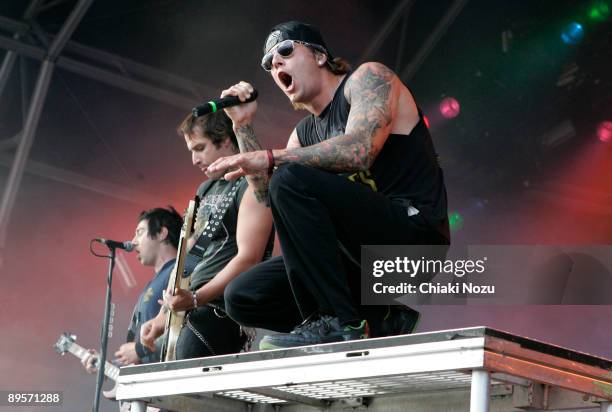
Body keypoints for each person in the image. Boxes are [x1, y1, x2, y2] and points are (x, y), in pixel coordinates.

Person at [207, 21, 450, 349]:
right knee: (241, 296)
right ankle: (376, 317)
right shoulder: (303, 133)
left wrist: (272, 158)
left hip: (412, 243)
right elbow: (267, 195)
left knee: (289, 175)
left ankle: (341, 322)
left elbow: (359, 150)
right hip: (358, 258)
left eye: (285, 51)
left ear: (320, 55)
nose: (275, 63)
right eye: (268, 63)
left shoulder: (368, 78)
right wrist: (242, 125)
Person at [139, 110, 273, 359]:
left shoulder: (251, 182)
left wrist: (196, 298)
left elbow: (249, 258)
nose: (194, 159)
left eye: (200, 148)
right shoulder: (206, 187)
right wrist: (161, 317)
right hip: (191, 308)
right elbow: (186, 257)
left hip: (221, 311)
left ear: (224, 140)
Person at [82, 207, 182, 371]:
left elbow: (184, 329)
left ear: (161, 233)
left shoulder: (178, 272)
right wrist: (107, 367)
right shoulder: (150, 286)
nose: (133, 240)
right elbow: (144, 353)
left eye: (140, 232)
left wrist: (139, 350)